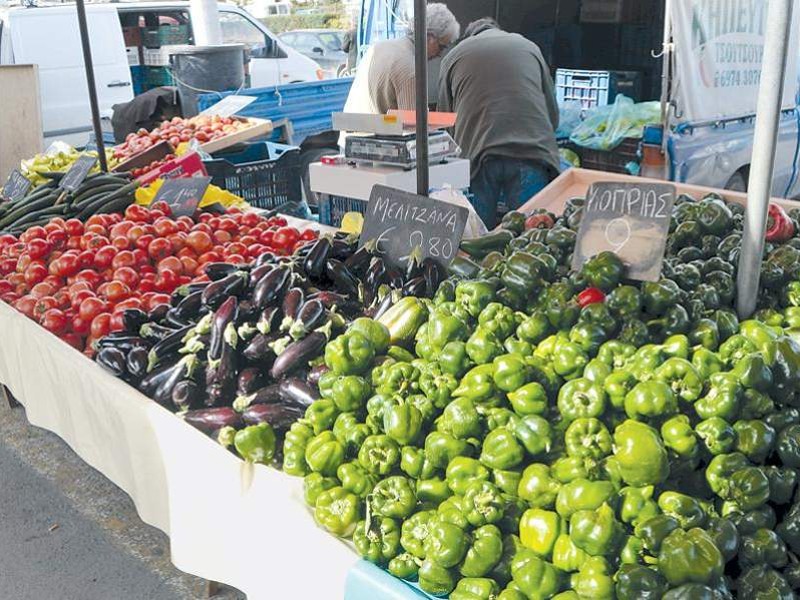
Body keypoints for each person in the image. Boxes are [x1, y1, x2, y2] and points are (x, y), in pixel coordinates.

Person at [439, 18, 561, 228]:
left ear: (470, 36)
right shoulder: (529, 47)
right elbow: (552, 114)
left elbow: (445, 120)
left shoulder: (453, 56)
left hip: (478, 156)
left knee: (477, 237)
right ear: (498, 30)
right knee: (532, 235)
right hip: (530, 151)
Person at [341, 3, 460, 117]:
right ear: (429, 37)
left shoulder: (378, 47)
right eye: (441, 46)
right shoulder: (409, 68)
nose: (440, 54)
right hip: (371, 134)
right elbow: (414, 127)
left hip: (352, 133)